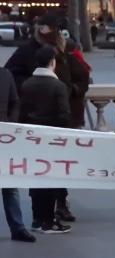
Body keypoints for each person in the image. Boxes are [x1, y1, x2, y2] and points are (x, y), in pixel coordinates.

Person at [5, 13, 78, 222]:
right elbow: (12, 76)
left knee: (60, 167)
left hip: (60, 114)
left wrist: (73, 88)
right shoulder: (26, 51)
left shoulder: (65, 50)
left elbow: (78, 74)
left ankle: (60, 204)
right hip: (39, 120)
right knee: (41, 168)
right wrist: (32, 87)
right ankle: (43, 214)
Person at [20, 47, 72, 234]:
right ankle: (48, 221)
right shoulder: (58, 86)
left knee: (36, 177)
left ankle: (36, 219)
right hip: (52, 140)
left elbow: (22, 113)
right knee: (51, 178)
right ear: (52, 62)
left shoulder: (27, 84)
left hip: (32, 138)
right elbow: (64, 115)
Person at [0, 67, 36, 242]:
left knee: (10, 186)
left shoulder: (5, 74)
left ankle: (18, 228)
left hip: (5, 139)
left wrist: (10, 124)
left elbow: (15, 101)